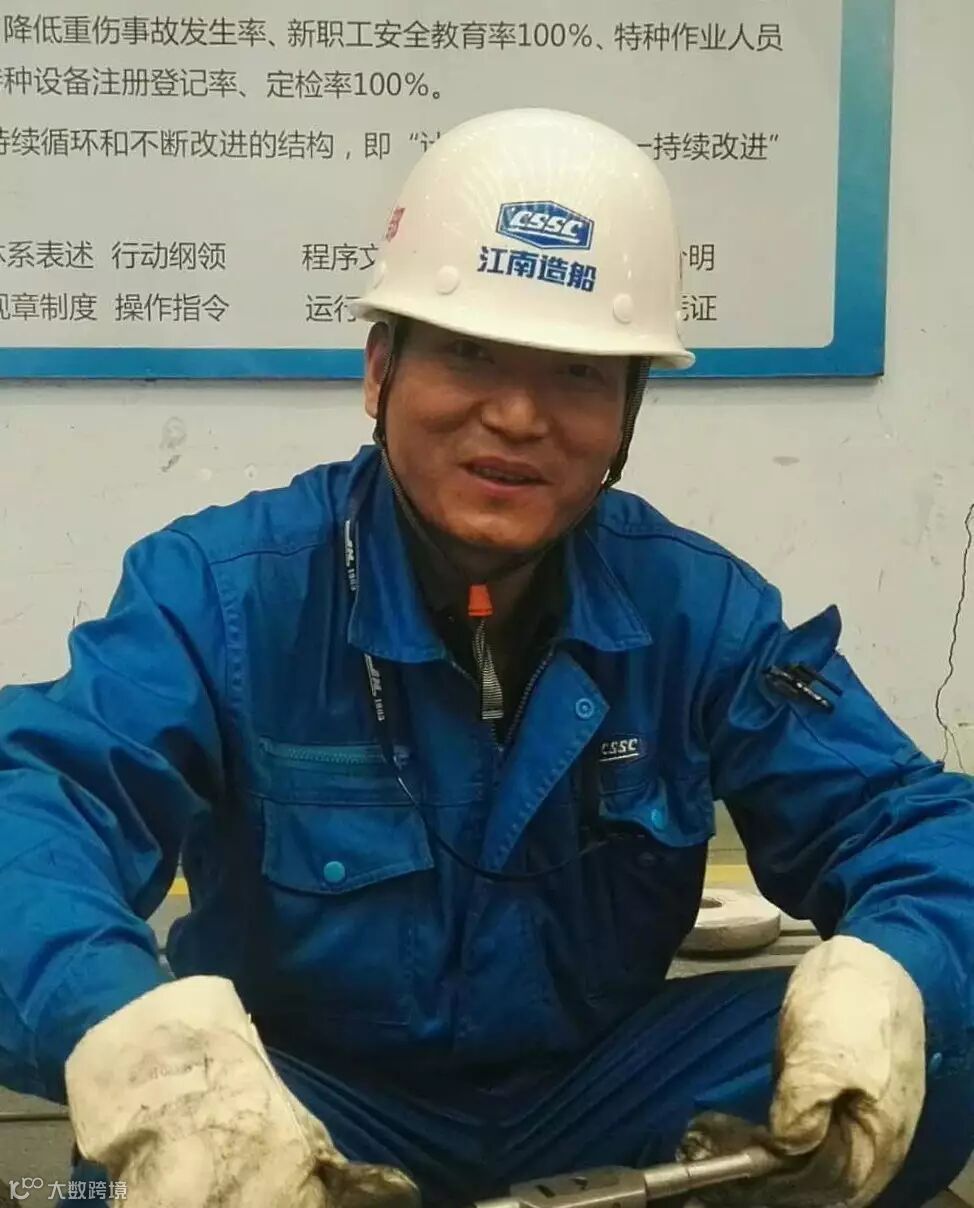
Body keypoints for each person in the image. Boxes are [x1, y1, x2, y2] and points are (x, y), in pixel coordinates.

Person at [0, 109, 971, 1208]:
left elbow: (913, 821)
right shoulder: (220, 594)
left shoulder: (696, 610)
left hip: (604, 1091)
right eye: (468, 354)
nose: (515, 416)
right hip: (304, 1094)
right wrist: (131, 1038)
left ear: (627, 416)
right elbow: (38, 804)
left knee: (919, 1062)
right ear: (380, 370)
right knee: (156, 1145)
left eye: (577, 373)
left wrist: (899, 975)